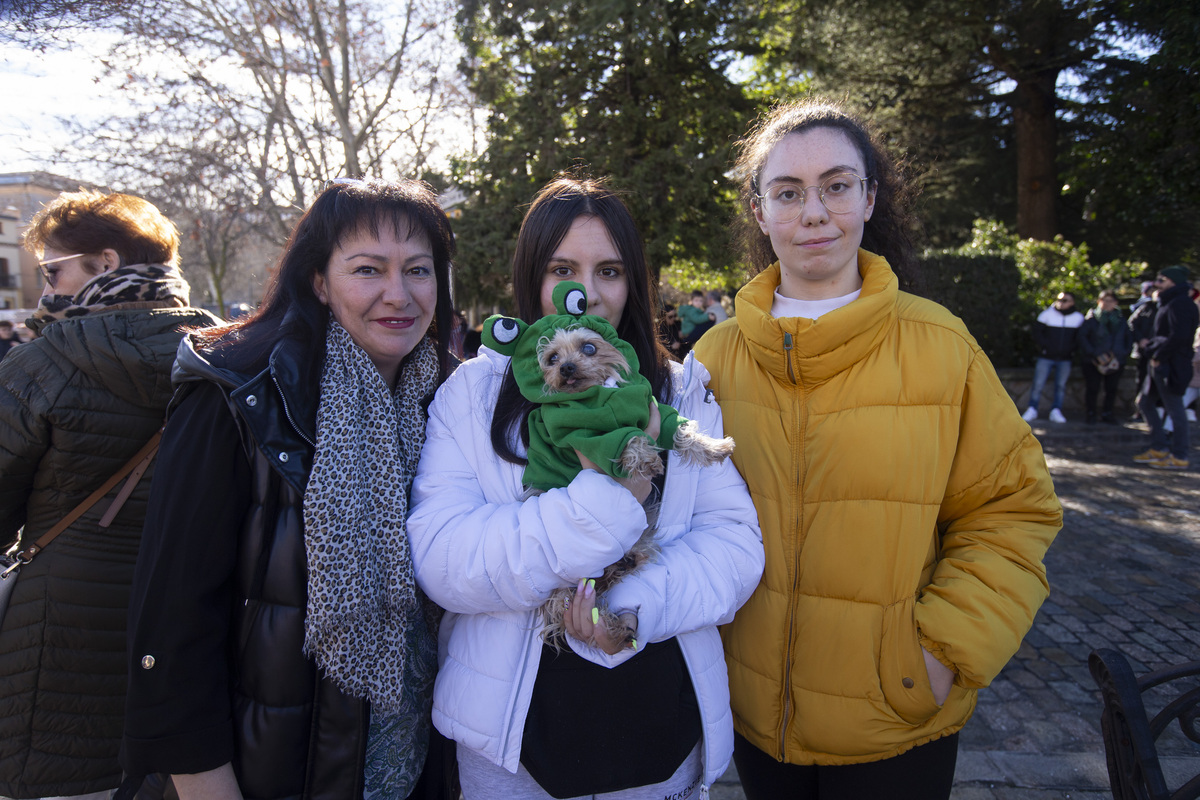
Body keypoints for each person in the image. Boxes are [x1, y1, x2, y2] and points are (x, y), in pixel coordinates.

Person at [692, 99, 1062, 800]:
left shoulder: (940, 345)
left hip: (895, 724)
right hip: (751, 722)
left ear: (869, 197)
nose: (813, 212)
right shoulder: (715, 356)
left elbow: (1012, 511)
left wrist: (942, 654)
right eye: (789, 191)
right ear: (759, 209)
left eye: (837, 185)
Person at [406, 175, 764, 800]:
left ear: (634, 282)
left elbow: (735, 546)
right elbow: (442, 558)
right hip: (515, 752)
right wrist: (606, 498)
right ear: (531, 277)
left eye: (610, 271)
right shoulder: (471, 396)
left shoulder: (680, 392)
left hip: (661, 731)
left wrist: (629, 612)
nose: (587, 293)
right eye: (563, 268)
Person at [119, 178, 457, 799]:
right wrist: (202, 782)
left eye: (418, 270)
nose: (398, 294)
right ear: (319, 282)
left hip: (421, 762)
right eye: (367, 270)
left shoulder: (456, 400)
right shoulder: (238, 392)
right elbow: (172, 612)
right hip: (273, 767)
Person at [0, 189, 218, 799]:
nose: (46, 290)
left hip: (56, 634)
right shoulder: (230, 356)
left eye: (54, 271)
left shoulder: (46, 360)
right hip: (194, 627)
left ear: (105, 263)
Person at [1132, 265, 1199, 470]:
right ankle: (1159, 447)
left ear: (1172, 281)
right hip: (1160, 360)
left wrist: (1158, 354)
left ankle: (1179, 454)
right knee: (1145, 402)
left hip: (1170, 364)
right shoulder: (1168, 301)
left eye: (1161, 280)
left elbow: (1179, 337)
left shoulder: (1181, 303)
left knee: (1175, 409)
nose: (1157, 284)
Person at [1023, 291, 1084, 423]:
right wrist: (1045, 347)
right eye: (1059, 299)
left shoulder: (1078, 318)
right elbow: (1037, 333)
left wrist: (1071, 350)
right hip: (1046, 356)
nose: (1061, 303)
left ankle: (1056, 410)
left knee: (1061, 385)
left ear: (1072, 302)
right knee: (1038, 383)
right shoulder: (1047, 314)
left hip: (1065, 358)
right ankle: (1032, 408)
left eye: (1065, 300)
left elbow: (1079, 338)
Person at [1079, 290, 1132, 424]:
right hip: (1093, 360)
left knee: (1111, 389)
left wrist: (1122, 353)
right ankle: (1091, 413)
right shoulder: (1091, 319)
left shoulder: (1120, 320)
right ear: (1099, 302)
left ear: (1116, 303)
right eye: (1105, 300)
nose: (1108, 304)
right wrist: (1095, 354)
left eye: (1111, 301)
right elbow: (1082, 338)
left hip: (1116, 360)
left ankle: (1108, 413)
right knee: (1093, 388)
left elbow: (1128, 338)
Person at [1128, 286, 1160, 421]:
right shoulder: (1145, 308)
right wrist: (1140, 339)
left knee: (1158, 385)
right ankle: (1139, 412)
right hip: (1143, 353)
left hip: (1160, 354)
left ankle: (1158, 412)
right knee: (1141, 382)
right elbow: (1132, 323)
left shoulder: (1169, 309)